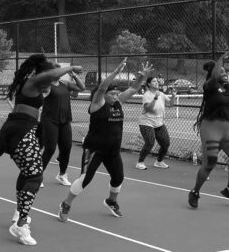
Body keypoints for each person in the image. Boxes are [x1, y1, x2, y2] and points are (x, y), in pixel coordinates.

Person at [0, 54, 82, 246]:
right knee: (35, 176)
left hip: (24, 129)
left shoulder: (34, 83)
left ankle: (19, 213)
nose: (51, 85)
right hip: (20, 130)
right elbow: (50, 75)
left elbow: (52, 80)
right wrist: (71, 68)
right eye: (50, 80)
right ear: (43, 75)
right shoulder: (33, 81)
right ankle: (20, 223)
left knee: (28, 174)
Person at [57, 58, 152, 224]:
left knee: (118, 178)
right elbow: (101, 88)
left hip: (112, 151)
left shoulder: (118, 103)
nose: (115, 96)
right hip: (95, 149)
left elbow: (134, 88)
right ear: (104, 95)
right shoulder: (97, 104)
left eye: (117, 94)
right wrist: (115, 72)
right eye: (112, 94)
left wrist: (142, 77)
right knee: (85, 179)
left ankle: (111, 201)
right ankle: (66, 204)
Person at [188, 51, 229, 208]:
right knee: (210, 161)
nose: (225, 73)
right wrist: (222, 58)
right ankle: (195, 192)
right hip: (210, 127)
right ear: (214, 73)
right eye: (222, 71)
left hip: (226, 128)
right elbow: (216, 74)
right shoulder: (209, 86)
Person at [39, 66, 85, 187]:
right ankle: (37, 176)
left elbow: (81, 88)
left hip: (65, 121)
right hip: (50, 120)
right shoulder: (47, 85)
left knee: (66, 148)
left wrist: (74, 75)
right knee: (50, 149)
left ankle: (62, 175)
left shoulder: (65, 84)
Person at [135, 76, 176, 170]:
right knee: (150, 142)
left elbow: (170, 104)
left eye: (157, 81)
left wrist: (173, 96)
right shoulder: (147, 95)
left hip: (159, 123)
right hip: (146, 122)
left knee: (165, 143)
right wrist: (155, 98)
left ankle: (159, 161)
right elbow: (148, 108)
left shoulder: (161, 94)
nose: (157, 83)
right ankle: (140, 162)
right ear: (149, 84)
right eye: (154, 81)